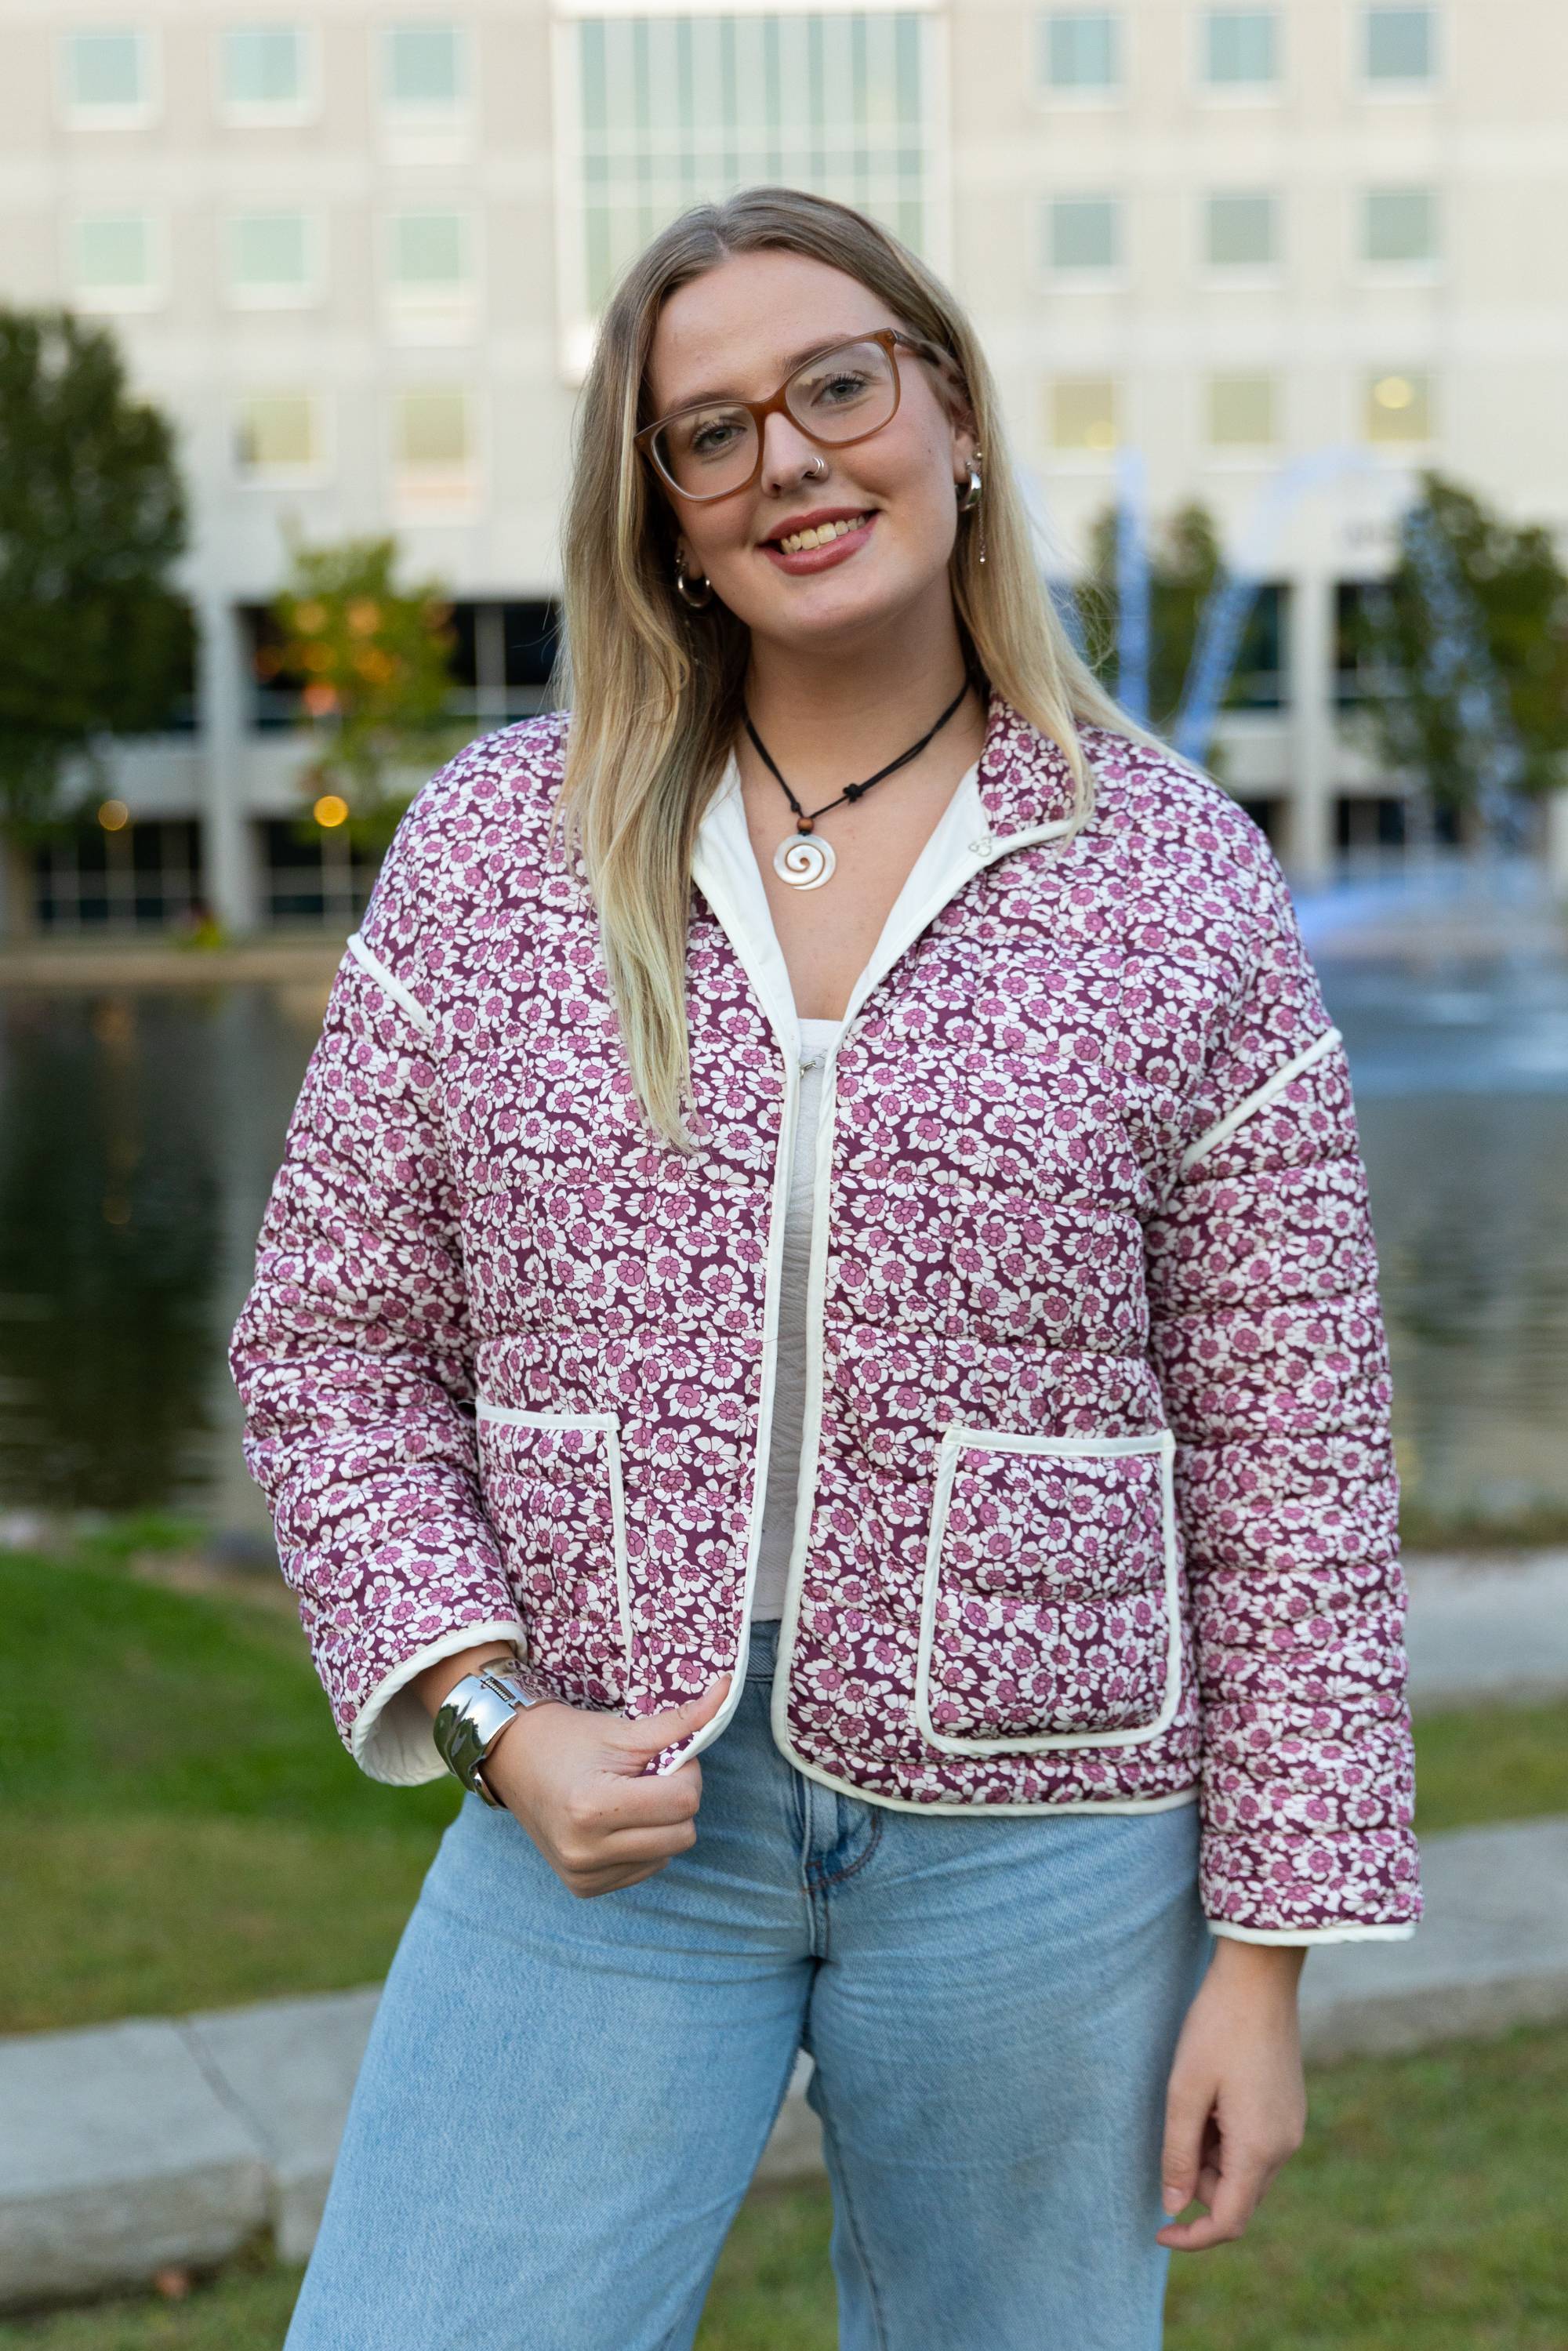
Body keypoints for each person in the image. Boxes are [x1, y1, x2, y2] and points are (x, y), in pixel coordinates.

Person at [230, 185, 1422, 2351]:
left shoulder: (1178, 884)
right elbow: (330, 1348)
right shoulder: (502, 852)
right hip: (611, 1811)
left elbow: (1296, 1458)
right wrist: (493, 1717)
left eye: (837, 384)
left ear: (949, 409)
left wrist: (1264, 1965)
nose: (787, 457)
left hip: (1055, 1850)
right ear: (665, 514)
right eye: (710, 430)